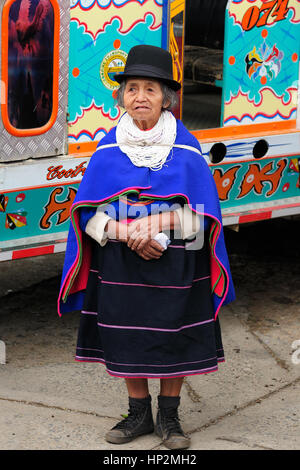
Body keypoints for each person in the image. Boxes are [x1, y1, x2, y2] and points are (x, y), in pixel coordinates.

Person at [58, 44, 235, 450]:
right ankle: (138, 414)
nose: (140, 96)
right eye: (132, 88)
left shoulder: (187, 151)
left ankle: (170, 418)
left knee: (175, 336)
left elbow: (205, 218)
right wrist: (127, 234)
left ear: (166, 99)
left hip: (178, 268)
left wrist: (159, 221)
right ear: (121, 96)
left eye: (150, 89)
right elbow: (87, 215)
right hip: (121, 265)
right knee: (126, 337)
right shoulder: (107, 150)